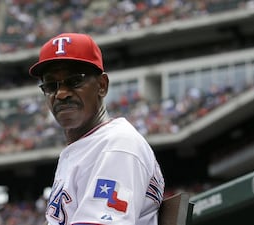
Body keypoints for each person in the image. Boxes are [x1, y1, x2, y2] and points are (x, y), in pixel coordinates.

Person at [29, 33, 165, 225]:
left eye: (74, 81)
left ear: (102, 85)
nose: (61, 94)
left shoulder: (118, 145)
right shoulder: (84, 148)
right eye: (51, 86)